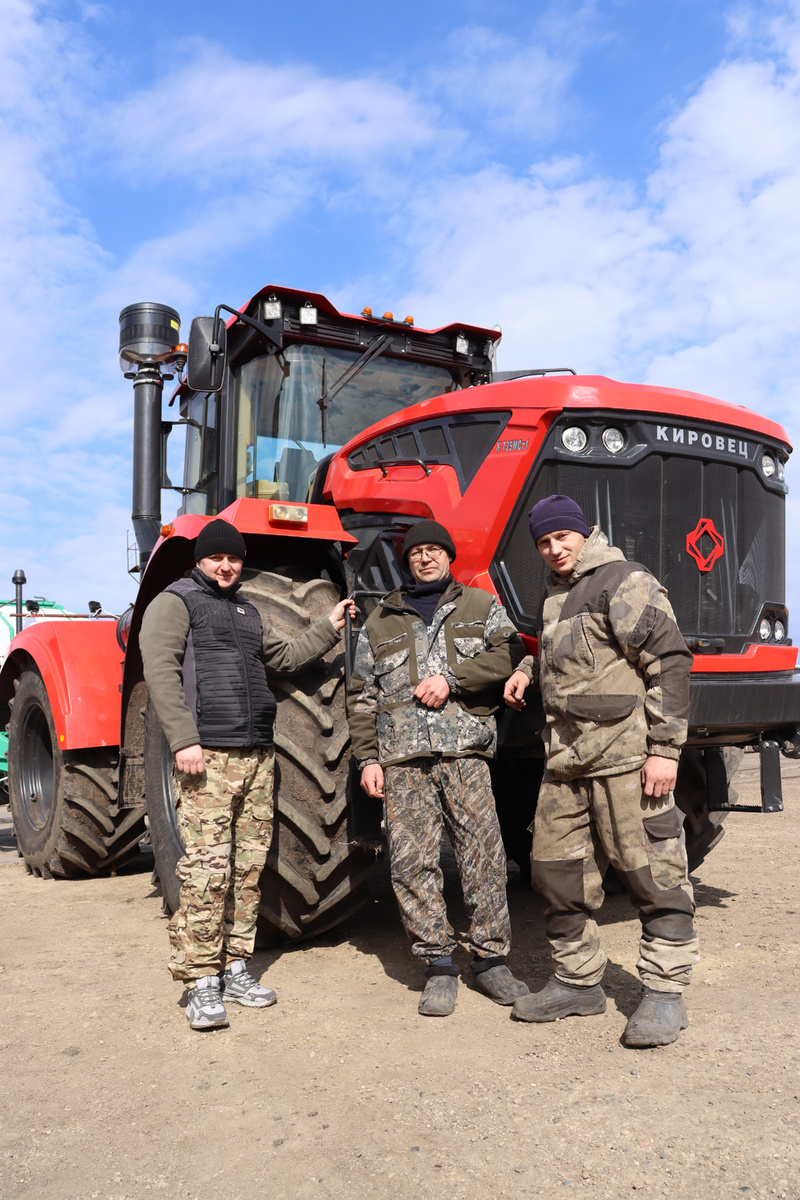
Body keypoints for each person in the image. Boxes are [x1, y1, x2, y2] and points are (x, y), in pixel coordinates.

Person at [140, 518, 354, 1031]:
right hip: (209, 755)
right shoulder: (174, 602)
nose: (226, 566)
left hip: (256, 754)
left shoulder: (246, 609)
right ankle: (200, 981)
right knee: (207, 872)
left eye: (233, 558)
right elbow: (161, 672)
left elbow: (285, 656)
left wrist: (329, 625)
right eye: (217, 557)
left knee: (247, 869)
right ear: (200, 559)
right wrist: (183, 740)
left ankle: (235, 967)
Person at [503, 495, 697, 1047]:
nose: (553, 548)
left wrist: (665, 749)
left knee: (652, 876)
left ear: (584, 533)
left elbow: (670, 662)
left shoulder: (623, 580)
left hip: (625, 760)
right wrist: (527, 669)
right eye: (544, 542)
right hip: (565, 762)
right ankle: (578, 981)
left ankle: (664, 992)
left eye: (562, 537)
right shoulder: (556, 594)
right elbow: (571, 654)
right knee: (554, 874)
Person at [348, 519, 528, 1017]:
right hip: (403, 759)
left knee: (483, 856)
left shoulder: (479, 606)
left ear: (449, 556)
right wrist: (367, 759)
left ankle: (490, 961)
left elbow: (510, 653)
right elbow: (362, 696)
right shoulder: (380, 620)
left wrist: (452, 678)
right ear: (406, 562)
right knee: (411, 863)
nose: (425, 558)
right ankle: (438, 965)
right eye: (415, 553)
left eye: (433, 550)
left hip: (465, 752)